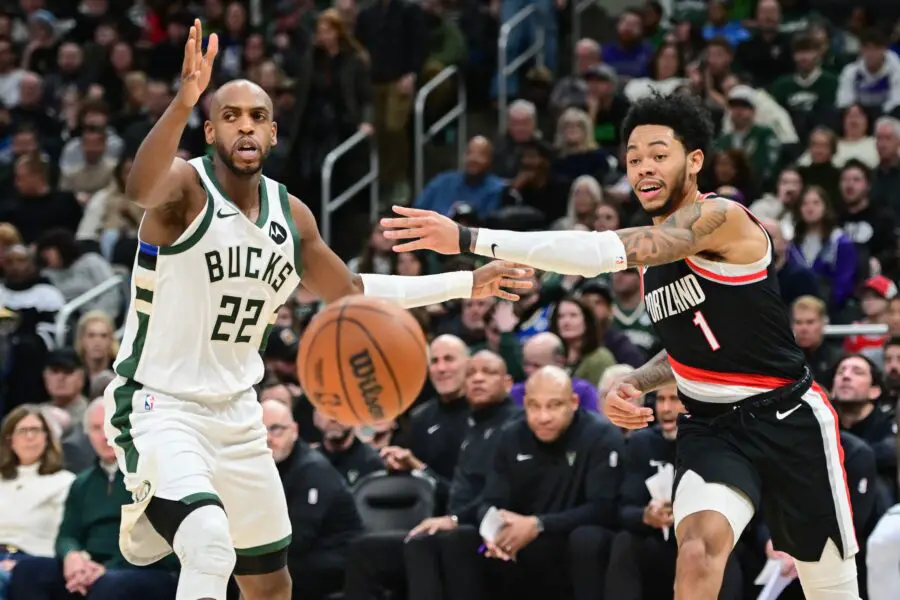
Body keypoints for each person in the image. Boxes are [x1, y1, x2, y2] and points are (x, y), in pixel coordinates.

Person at [102, 21, 531, 600]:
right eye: (230, 116)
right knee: (208, 546)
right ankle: (160, 499)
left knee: (272, 584)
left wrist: (465, 284)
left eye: (257, 117)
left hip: (237, 413)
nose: (245, 126)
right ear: (208, 130)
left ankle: (160, 504)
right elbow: (140, 188)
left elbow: (353, 293)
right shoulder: (186, 191)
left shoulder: (291, 216)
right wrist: (181, 101)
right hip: (161, 404)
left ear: (274, 134)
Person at [381, 91, 860, 599]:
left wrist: (468, 238)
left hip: (786, 420)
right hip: (713, 429)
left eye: (658, 154)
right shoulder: (656, 259)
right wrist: (636, 379)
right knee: (696, 550)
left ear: (694, 161)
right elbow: (692, 347)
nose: (644, 168)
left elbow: (600, 253)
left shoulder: (721, 219)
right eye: (633, 158)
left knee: (830, 589)